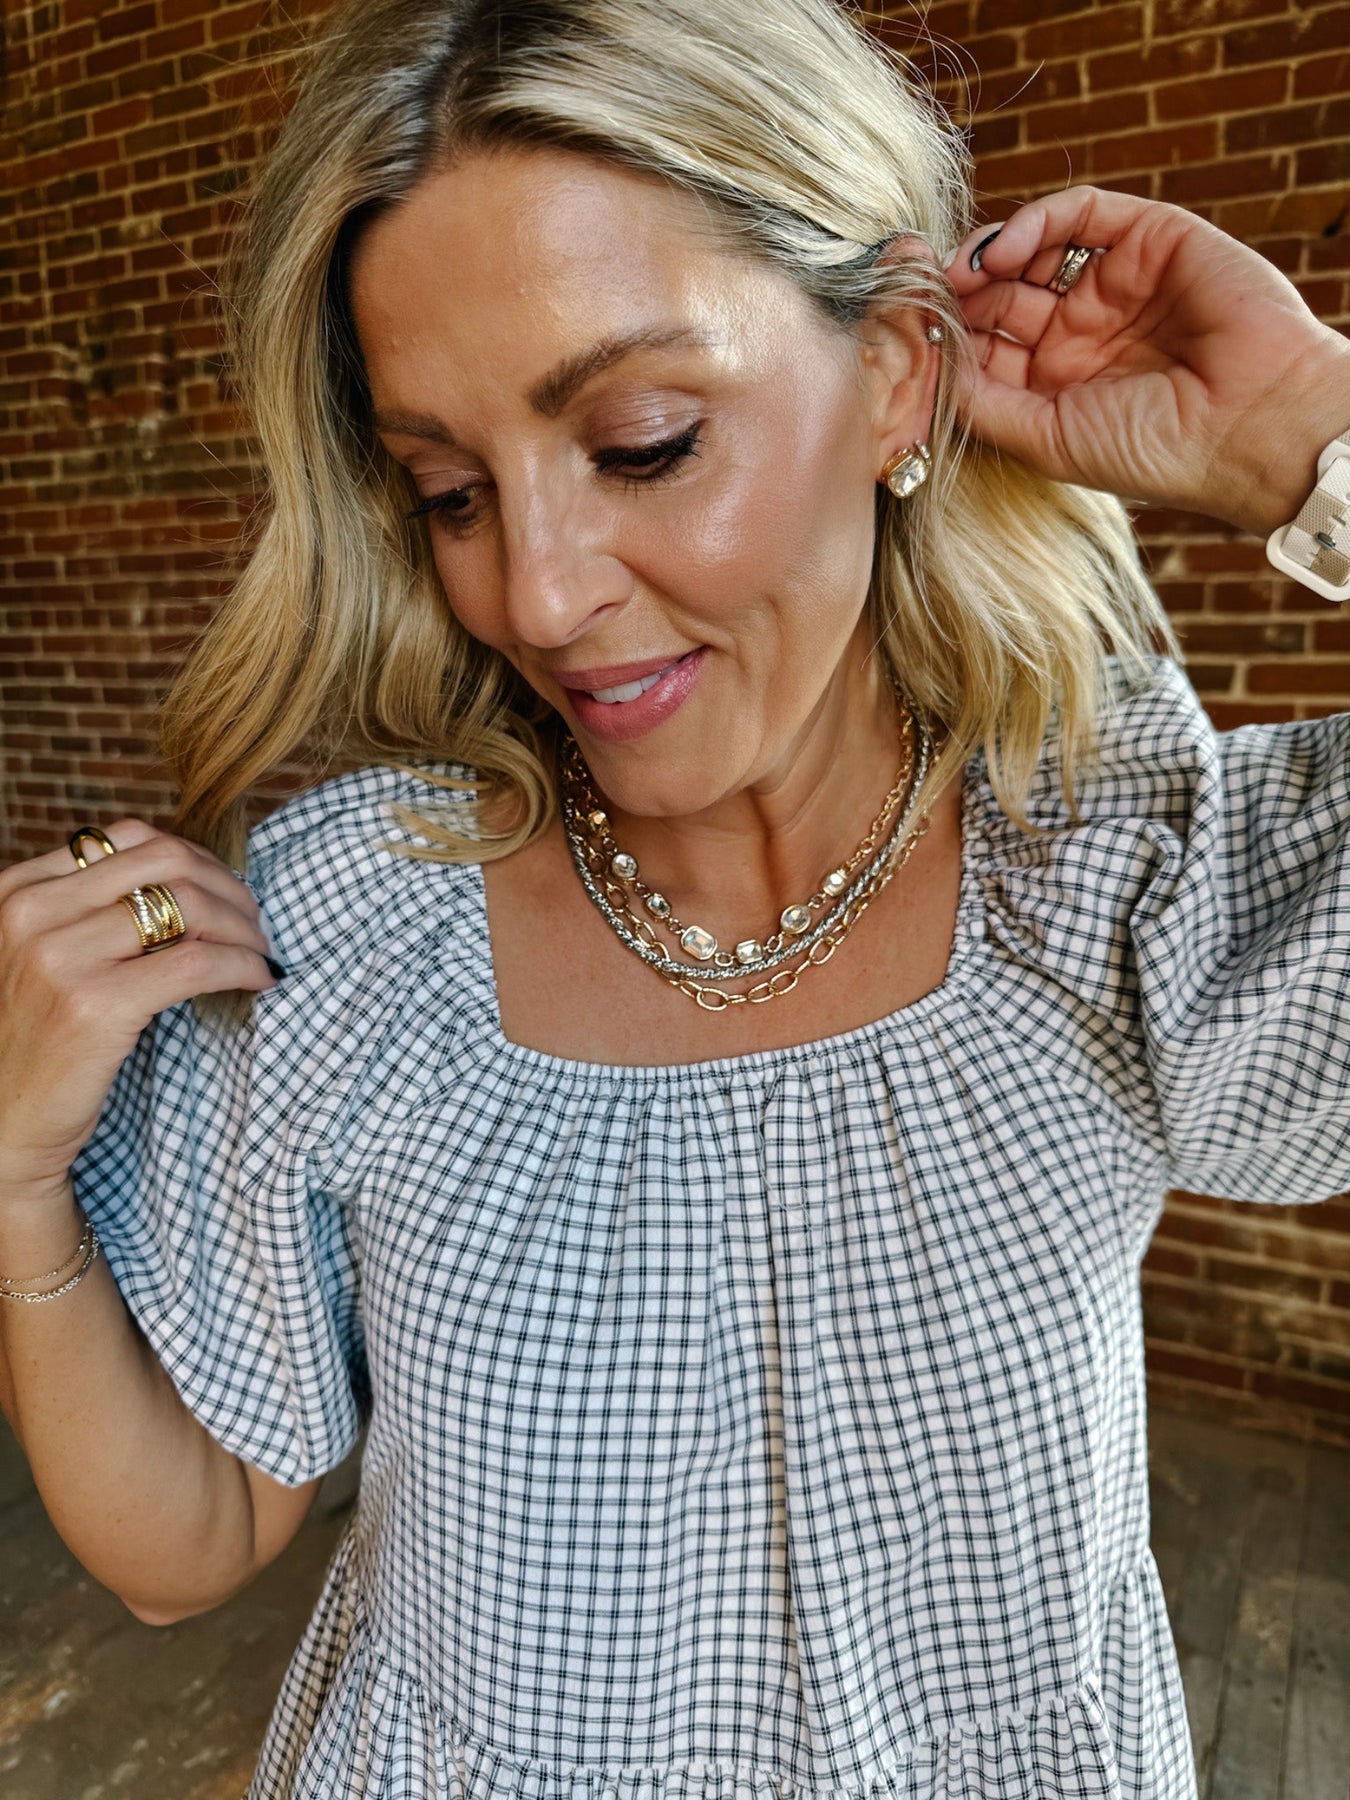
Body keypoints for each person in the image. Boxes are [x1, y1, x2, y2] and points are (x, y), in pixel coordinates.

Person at [1, 0, 1348, 1793]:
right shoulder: (364, 925)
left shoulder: (1105, 856)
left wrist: (1314, 437)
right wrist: (12, 1177)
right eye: (450, 491)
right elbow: (184, 1550)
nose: (537, 593)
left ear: (896, 375)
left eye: (640, 443)